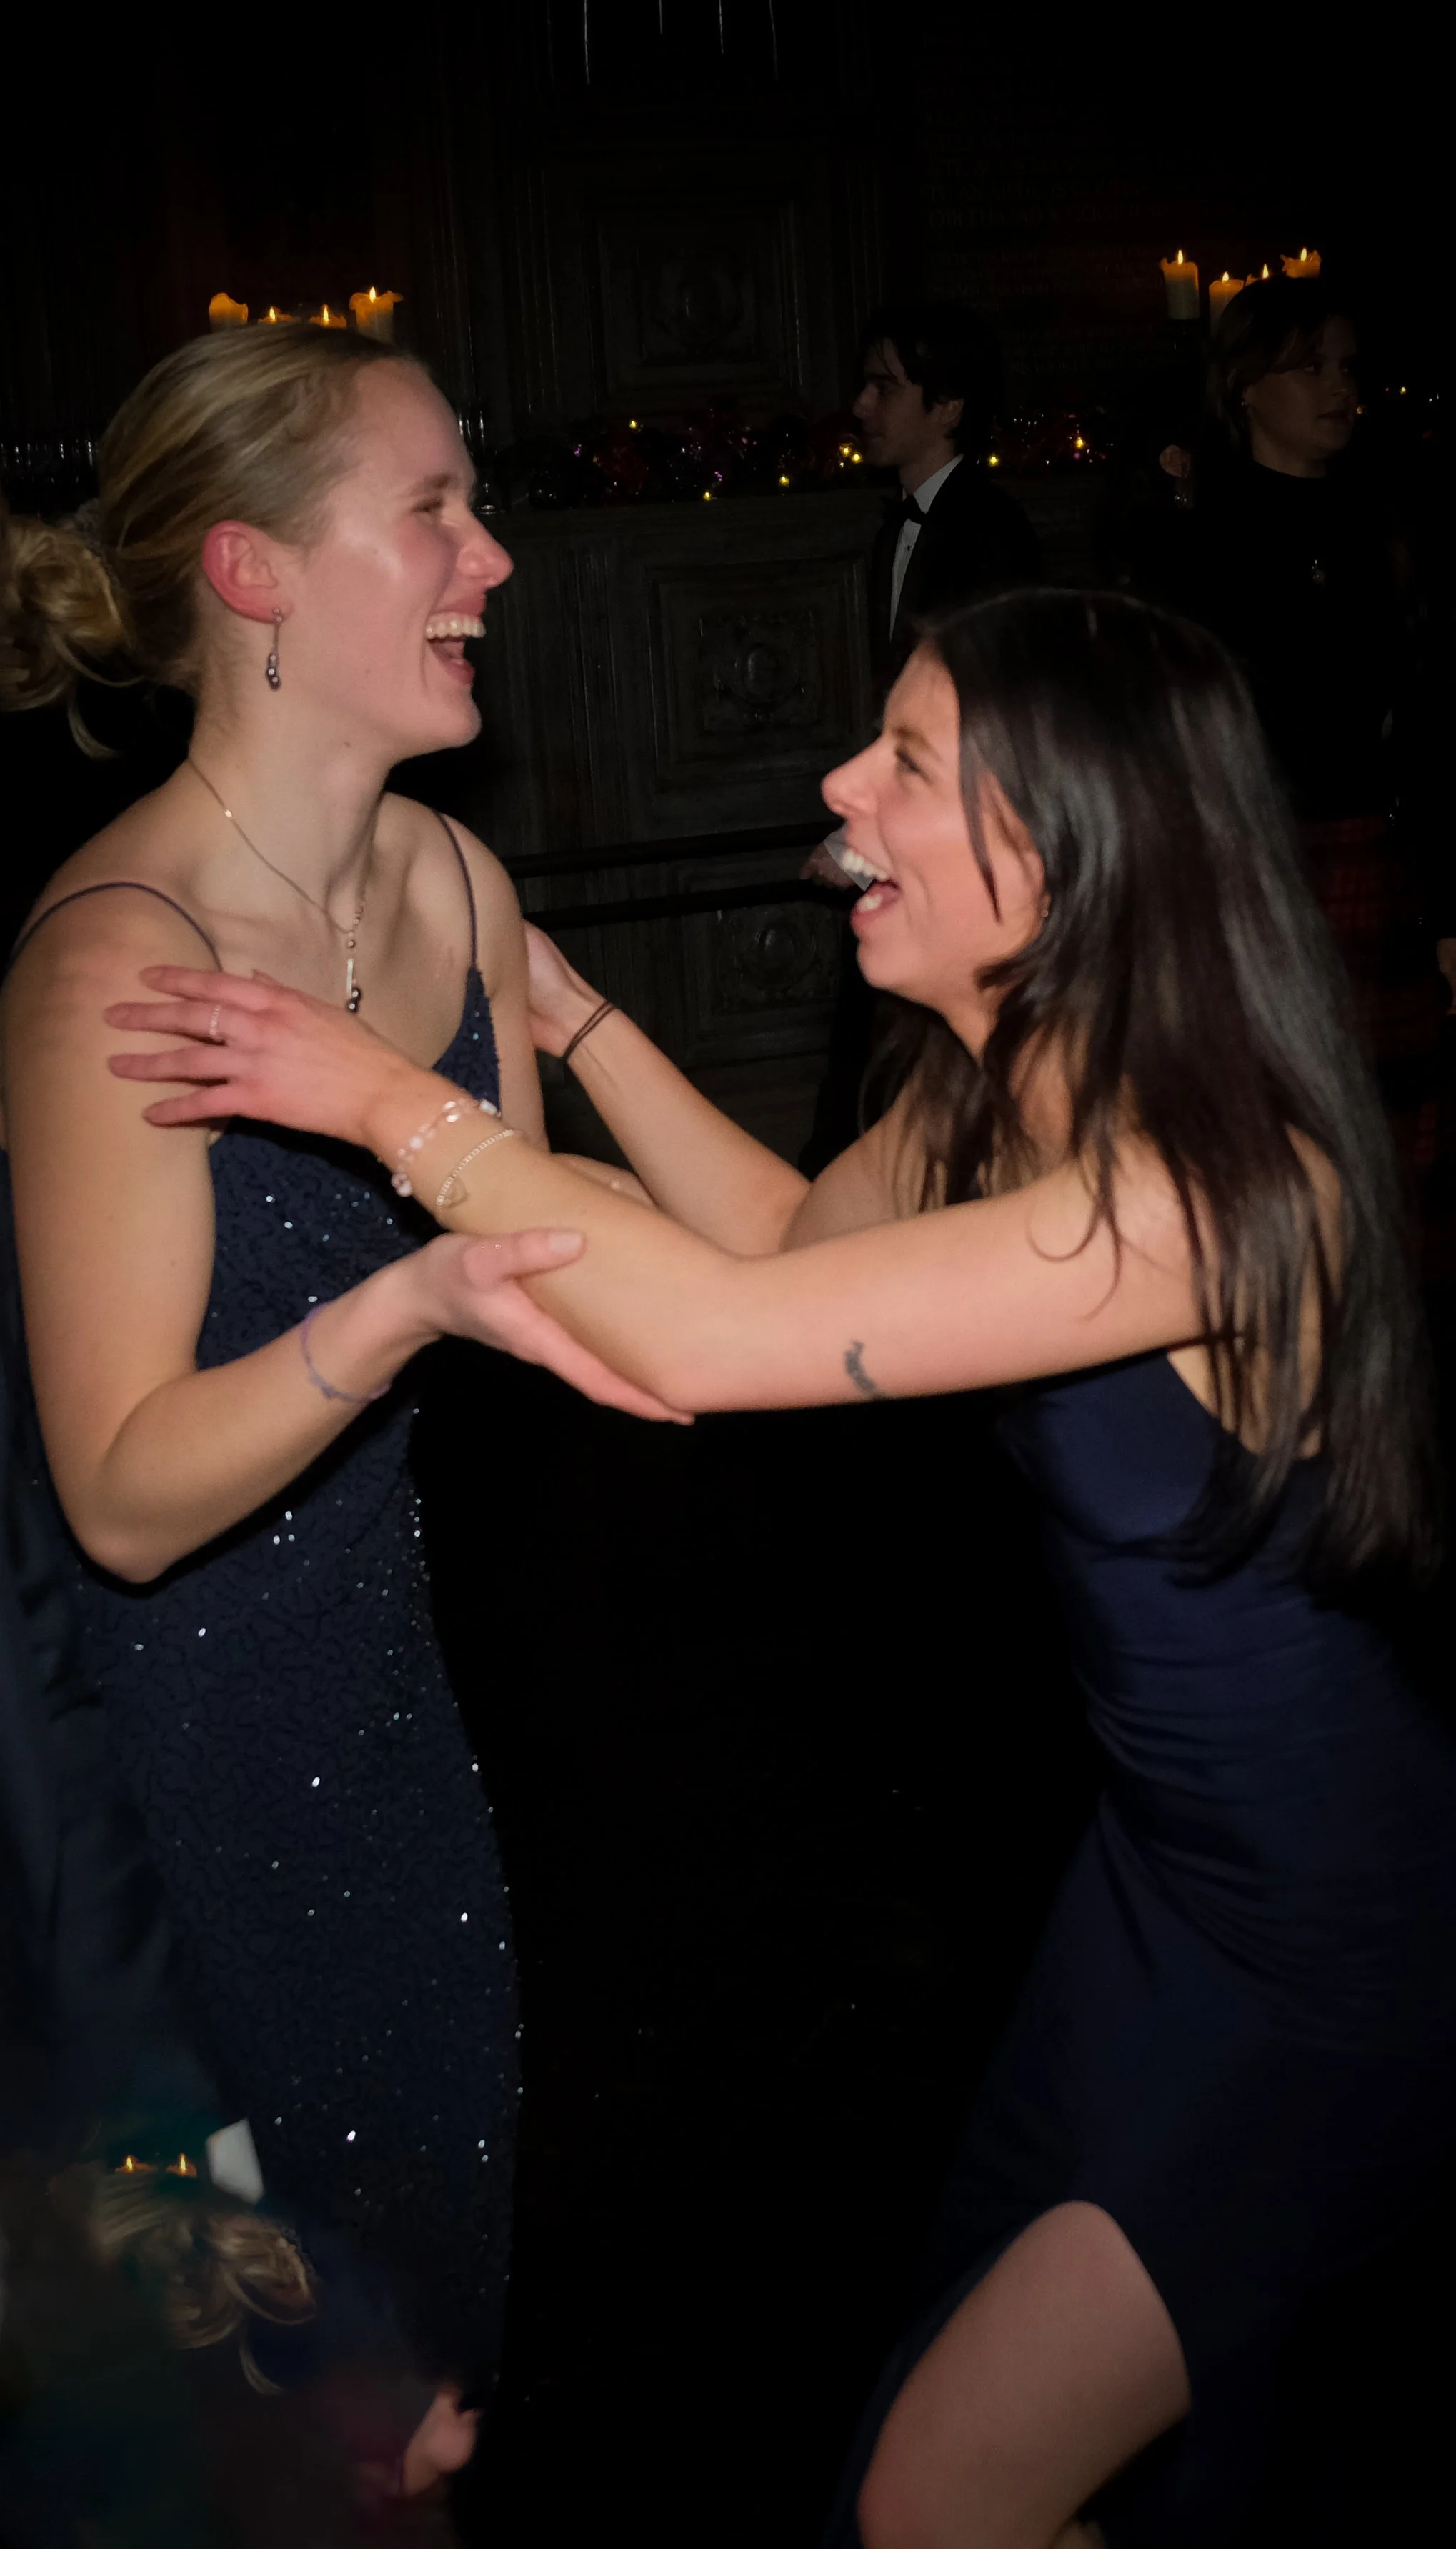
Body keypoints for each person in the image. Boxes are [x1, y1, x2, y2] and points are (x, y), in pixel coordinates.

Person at [115, 586, 1456, 2543]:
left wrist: (390, 1103)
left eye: (901, 760)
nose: (833, 789)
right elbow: (772, 1252)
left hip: (1329, 1947)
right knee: (1002, 2416)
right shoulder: (1006, 1082)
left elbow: (712, 1349)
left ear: (1061, 841)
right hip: (1158, 1886)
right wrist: (562, 1024)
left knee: (935, 2499)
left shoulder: (1203, 1182)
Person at [0, 326, 677, 2380]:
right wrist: (397, 1308)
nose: (492, 561)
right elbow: (117, 1498)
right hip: (169, 1799)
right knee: (263, 2425)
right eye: (435, 511)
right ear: (253, 572)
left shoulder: (450, 885)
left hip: (391, 1745)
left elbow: (554, 1249)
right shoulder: (128, 962)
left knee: (428, 2361)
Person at [1177, 277, 1453, 1258]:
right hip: (1261, 868)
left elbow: (1421, 720)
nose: (1338, 387)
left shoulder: (1384, 523)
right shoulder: (1200, 544)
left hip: (1379, 860)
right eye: (1310, 367)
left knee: (1399, 1166)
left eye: (1345, 367)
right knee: (1284, 1146)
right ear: (1247, 386)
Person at [804, 302, 1041, 1172]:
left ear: (947, 408)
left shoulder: (988, 531)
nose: (861, 405)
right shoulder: (899, 528)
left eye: (883, 385)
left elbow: (981, 716)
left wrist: (859, 846)